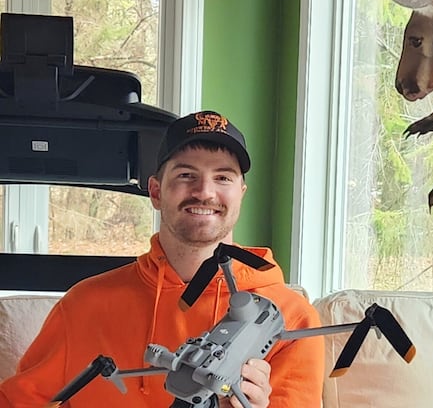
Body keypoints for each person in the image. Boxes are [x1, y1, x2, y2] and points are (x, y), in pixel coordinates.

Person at [0, 111, 324, 407]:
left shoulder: (289, 319)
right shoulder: (84, 305)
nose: (205, 192)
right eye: (186, 175)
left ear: (241, 192)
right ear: (155, 192)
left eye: (223, 178)